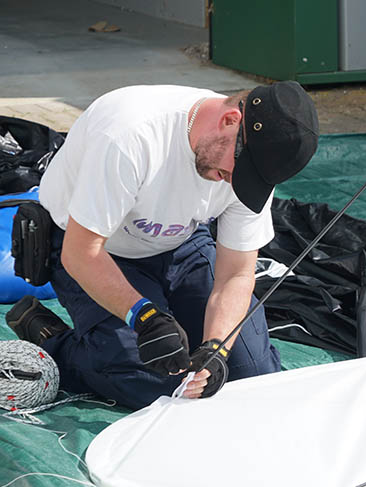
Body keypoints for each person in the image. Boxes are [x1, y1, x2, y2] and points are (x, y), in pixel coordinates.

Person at [4, 81, 319, 409]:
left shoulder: (252, 167)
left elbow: (237, 275)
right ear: (230, 121)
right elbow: (81, 252)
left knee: (251, 373)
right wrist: (145, 317)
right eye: (237, 172)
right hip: (96, 249)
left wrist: (216, 349)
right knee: (155, 382)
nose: (234, 182)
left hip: (181, 241)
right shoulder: (131, 136)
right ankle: (54, 341)